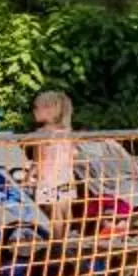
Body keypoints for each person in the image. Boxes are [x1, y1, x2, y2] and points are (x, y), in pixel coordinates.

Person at [27, 90, 79, 229]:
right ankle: (63, 244)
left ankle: (56, 246)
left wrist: (28, 177)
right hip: (66, 177)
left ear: (49, 110)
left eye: (36, 107)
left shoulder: (41, 134)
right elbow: (73, 155)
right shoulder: (67, 132)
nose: (33, 111)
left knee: (53, 214)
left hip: (48, 180)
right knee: (65, 212)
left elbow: (38, 161)